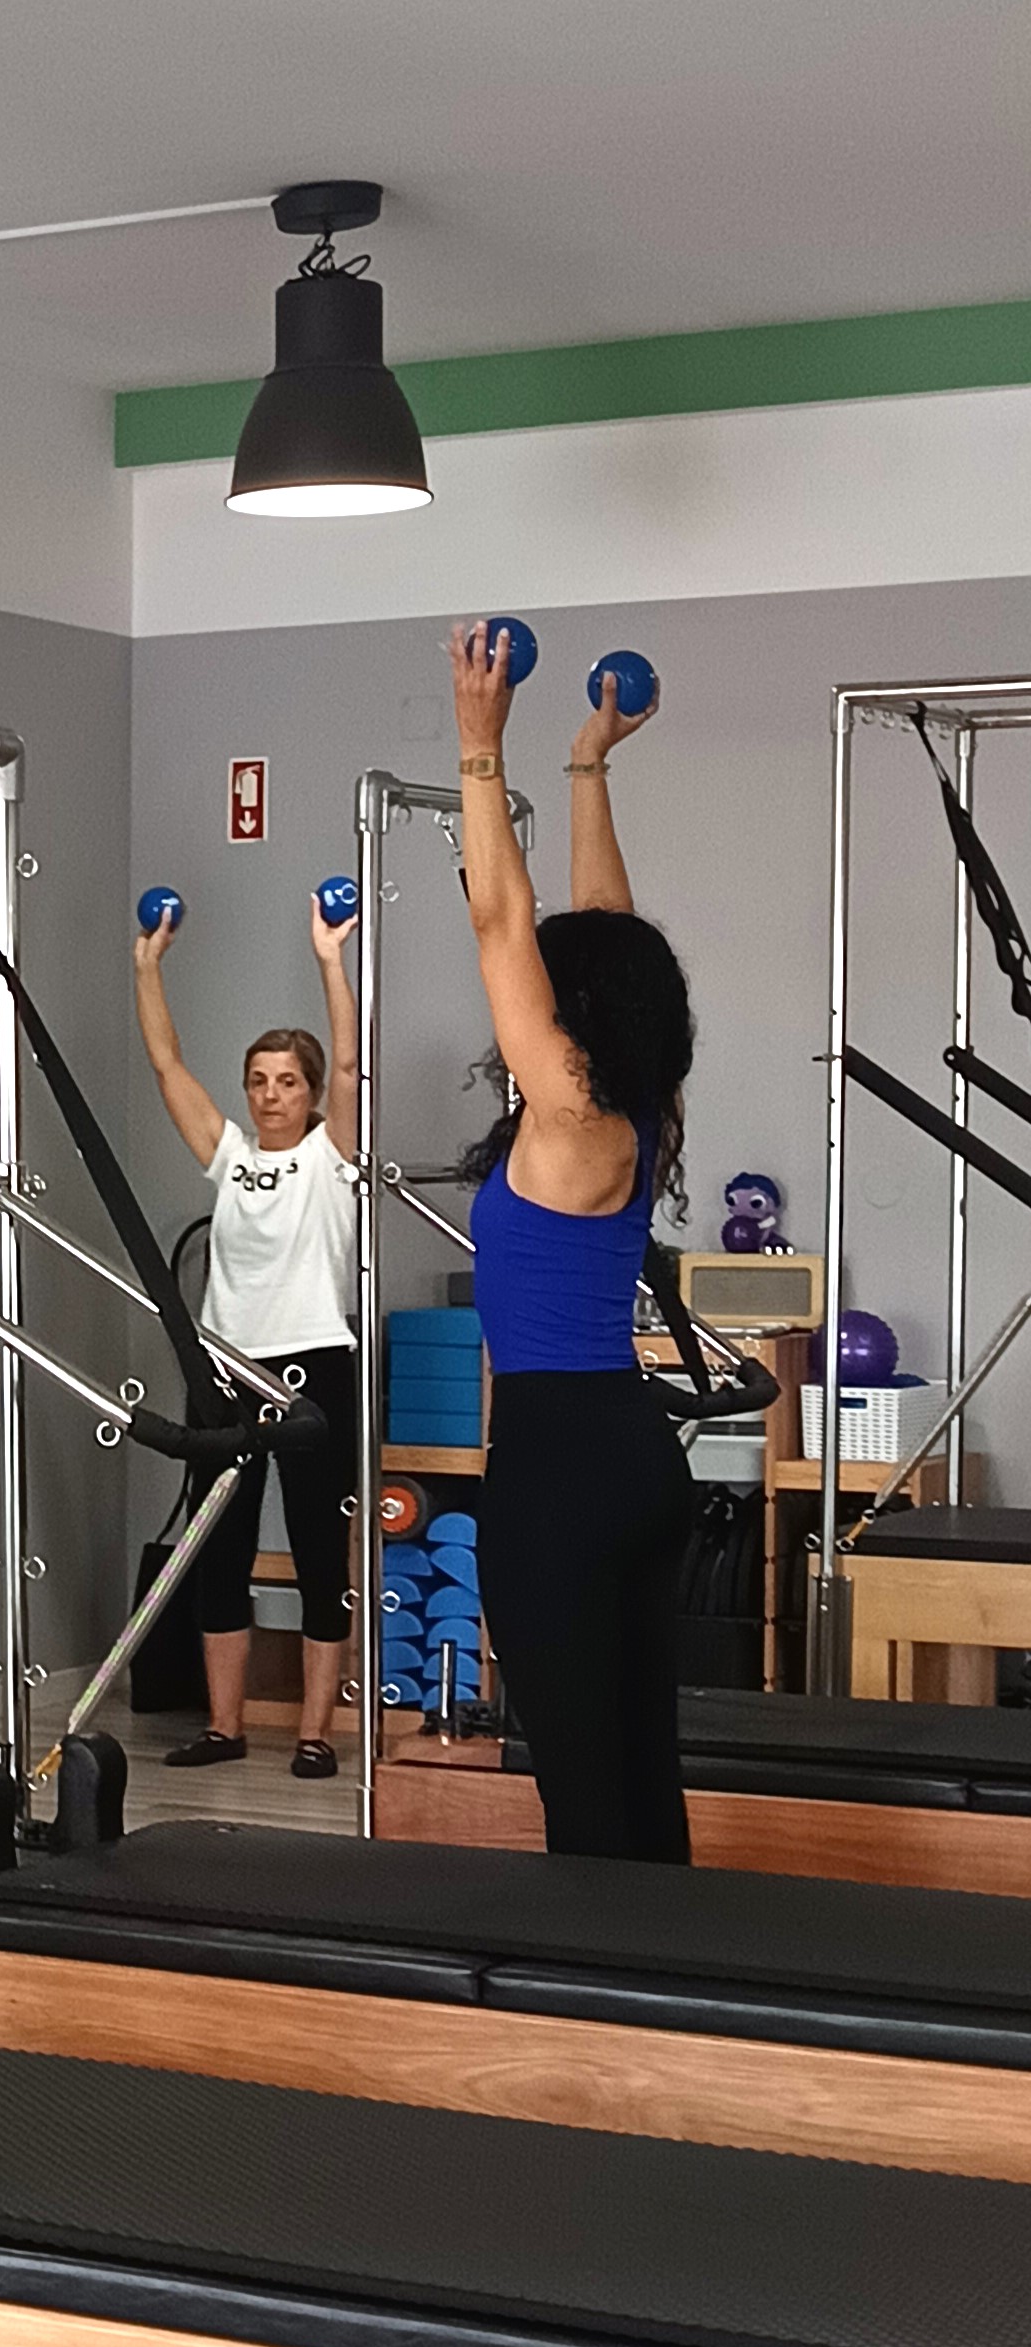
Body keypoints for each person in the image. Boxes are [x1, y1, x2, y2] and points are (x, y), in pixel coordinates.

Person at [448, 620, 693, 1862]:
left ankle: (603, 1976)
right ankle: (672, 1961)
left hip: (557, 1470)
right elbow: (609, 932)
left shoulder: (571, 1113)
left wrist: (480, 746)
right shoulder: (636, 1105)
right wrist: (589, 764)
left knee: (583, 1800)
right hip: (632, 1460)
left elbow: (504, 921)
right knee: (641, 1772)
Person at [132, 892, 361, 1776]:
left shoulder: (331, 1157)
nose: (271, 1095)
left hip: (314, 1365)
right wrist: (148, 966)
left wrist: (329, 961)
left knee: (318, 1552)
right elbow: (166, 1065)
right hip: (226, 1366)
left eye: (287, 1081)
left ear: (310, 1093)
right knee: (217, 1551)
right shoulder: (229, 1157)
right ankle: (225, 1727)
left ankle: (314, 1733)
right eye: (259, 1080)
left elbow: (351, 1066)